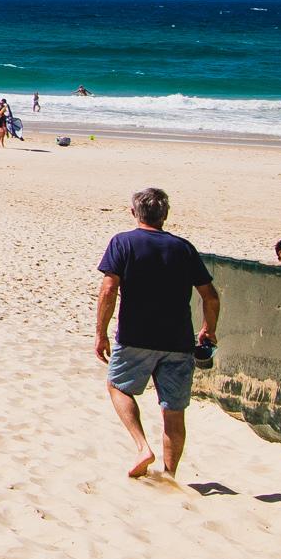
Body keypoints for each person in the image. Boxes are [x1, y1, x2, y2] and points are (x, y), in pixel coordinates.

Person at [94, 187, 221, 481]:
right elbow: (211, 297)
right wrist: (208, 330)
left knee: (117, 387)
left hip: (135, 336)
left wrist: (101, 333)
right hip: (178, 340)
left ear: (134, 212)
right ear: (165, 215)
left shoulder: (123, 242)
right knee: (173, 412)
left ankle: (142, 447)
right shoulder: (183, 248)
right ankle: (170, 474)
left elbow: (108, 290)